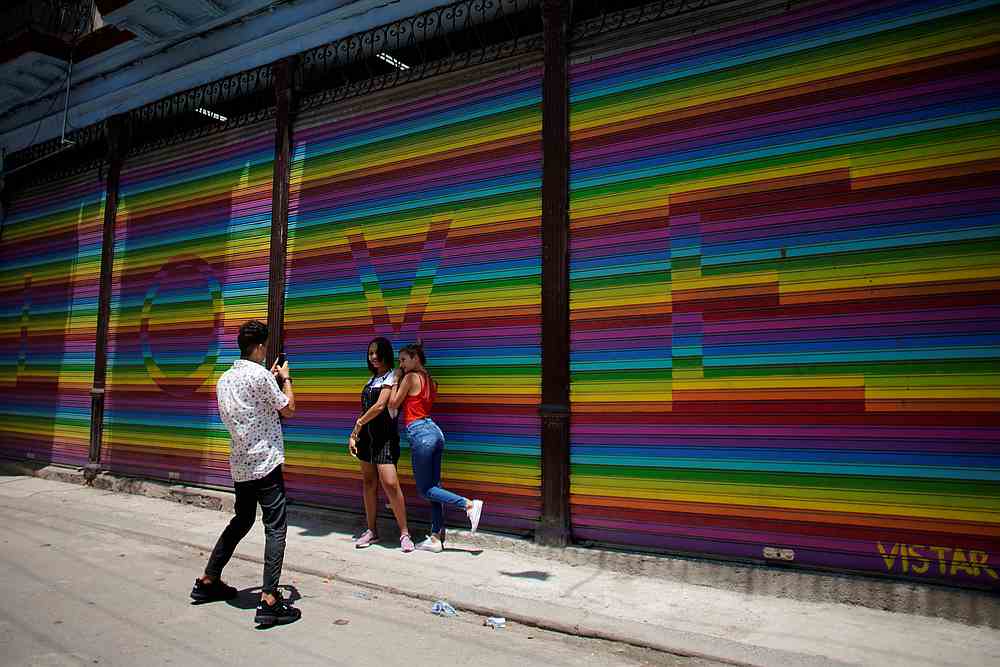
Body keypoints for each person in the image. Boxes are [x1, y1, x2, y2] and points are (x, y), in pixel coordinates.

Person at [189, 319, 301, 627]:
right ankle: (269, 599)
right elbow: (288, 409)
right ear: (261, 346)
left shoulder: (224, 380)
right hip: (265, 461)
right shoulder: (261, 375)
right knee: (276, 526)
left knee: (242, 519)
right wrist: (286, 379)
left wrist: (271, 379)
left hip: (240, 463)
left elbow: (254, 408)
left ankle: (209, 579)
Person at [388, 342, 483, 552]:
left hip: (420, 433)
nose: (401, 364)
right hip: (435, 432)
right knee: (434, 488)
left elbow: (393, 403)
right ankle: (435, 537)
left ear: (415, 358)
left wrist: (395, 380)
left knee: (425, 490)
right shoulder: (431, 380)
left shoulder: (410, 378)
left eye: (403, 359)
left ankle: (468, 504)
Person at [348, 337, 415, 552]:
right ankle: (371, 530)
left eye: (377, 352)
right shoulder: (370, 381)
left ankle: (404, 533)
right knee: (368, 483)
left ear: (386, 353)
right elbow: (365, 410)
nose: (374, 357)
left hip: (385, 439)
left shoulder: (393, 375)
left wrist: (358, 424)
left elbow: (380, 406)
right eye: (370, 354)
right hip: (366, 439)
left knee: (390, 483)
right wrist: (354, 435)